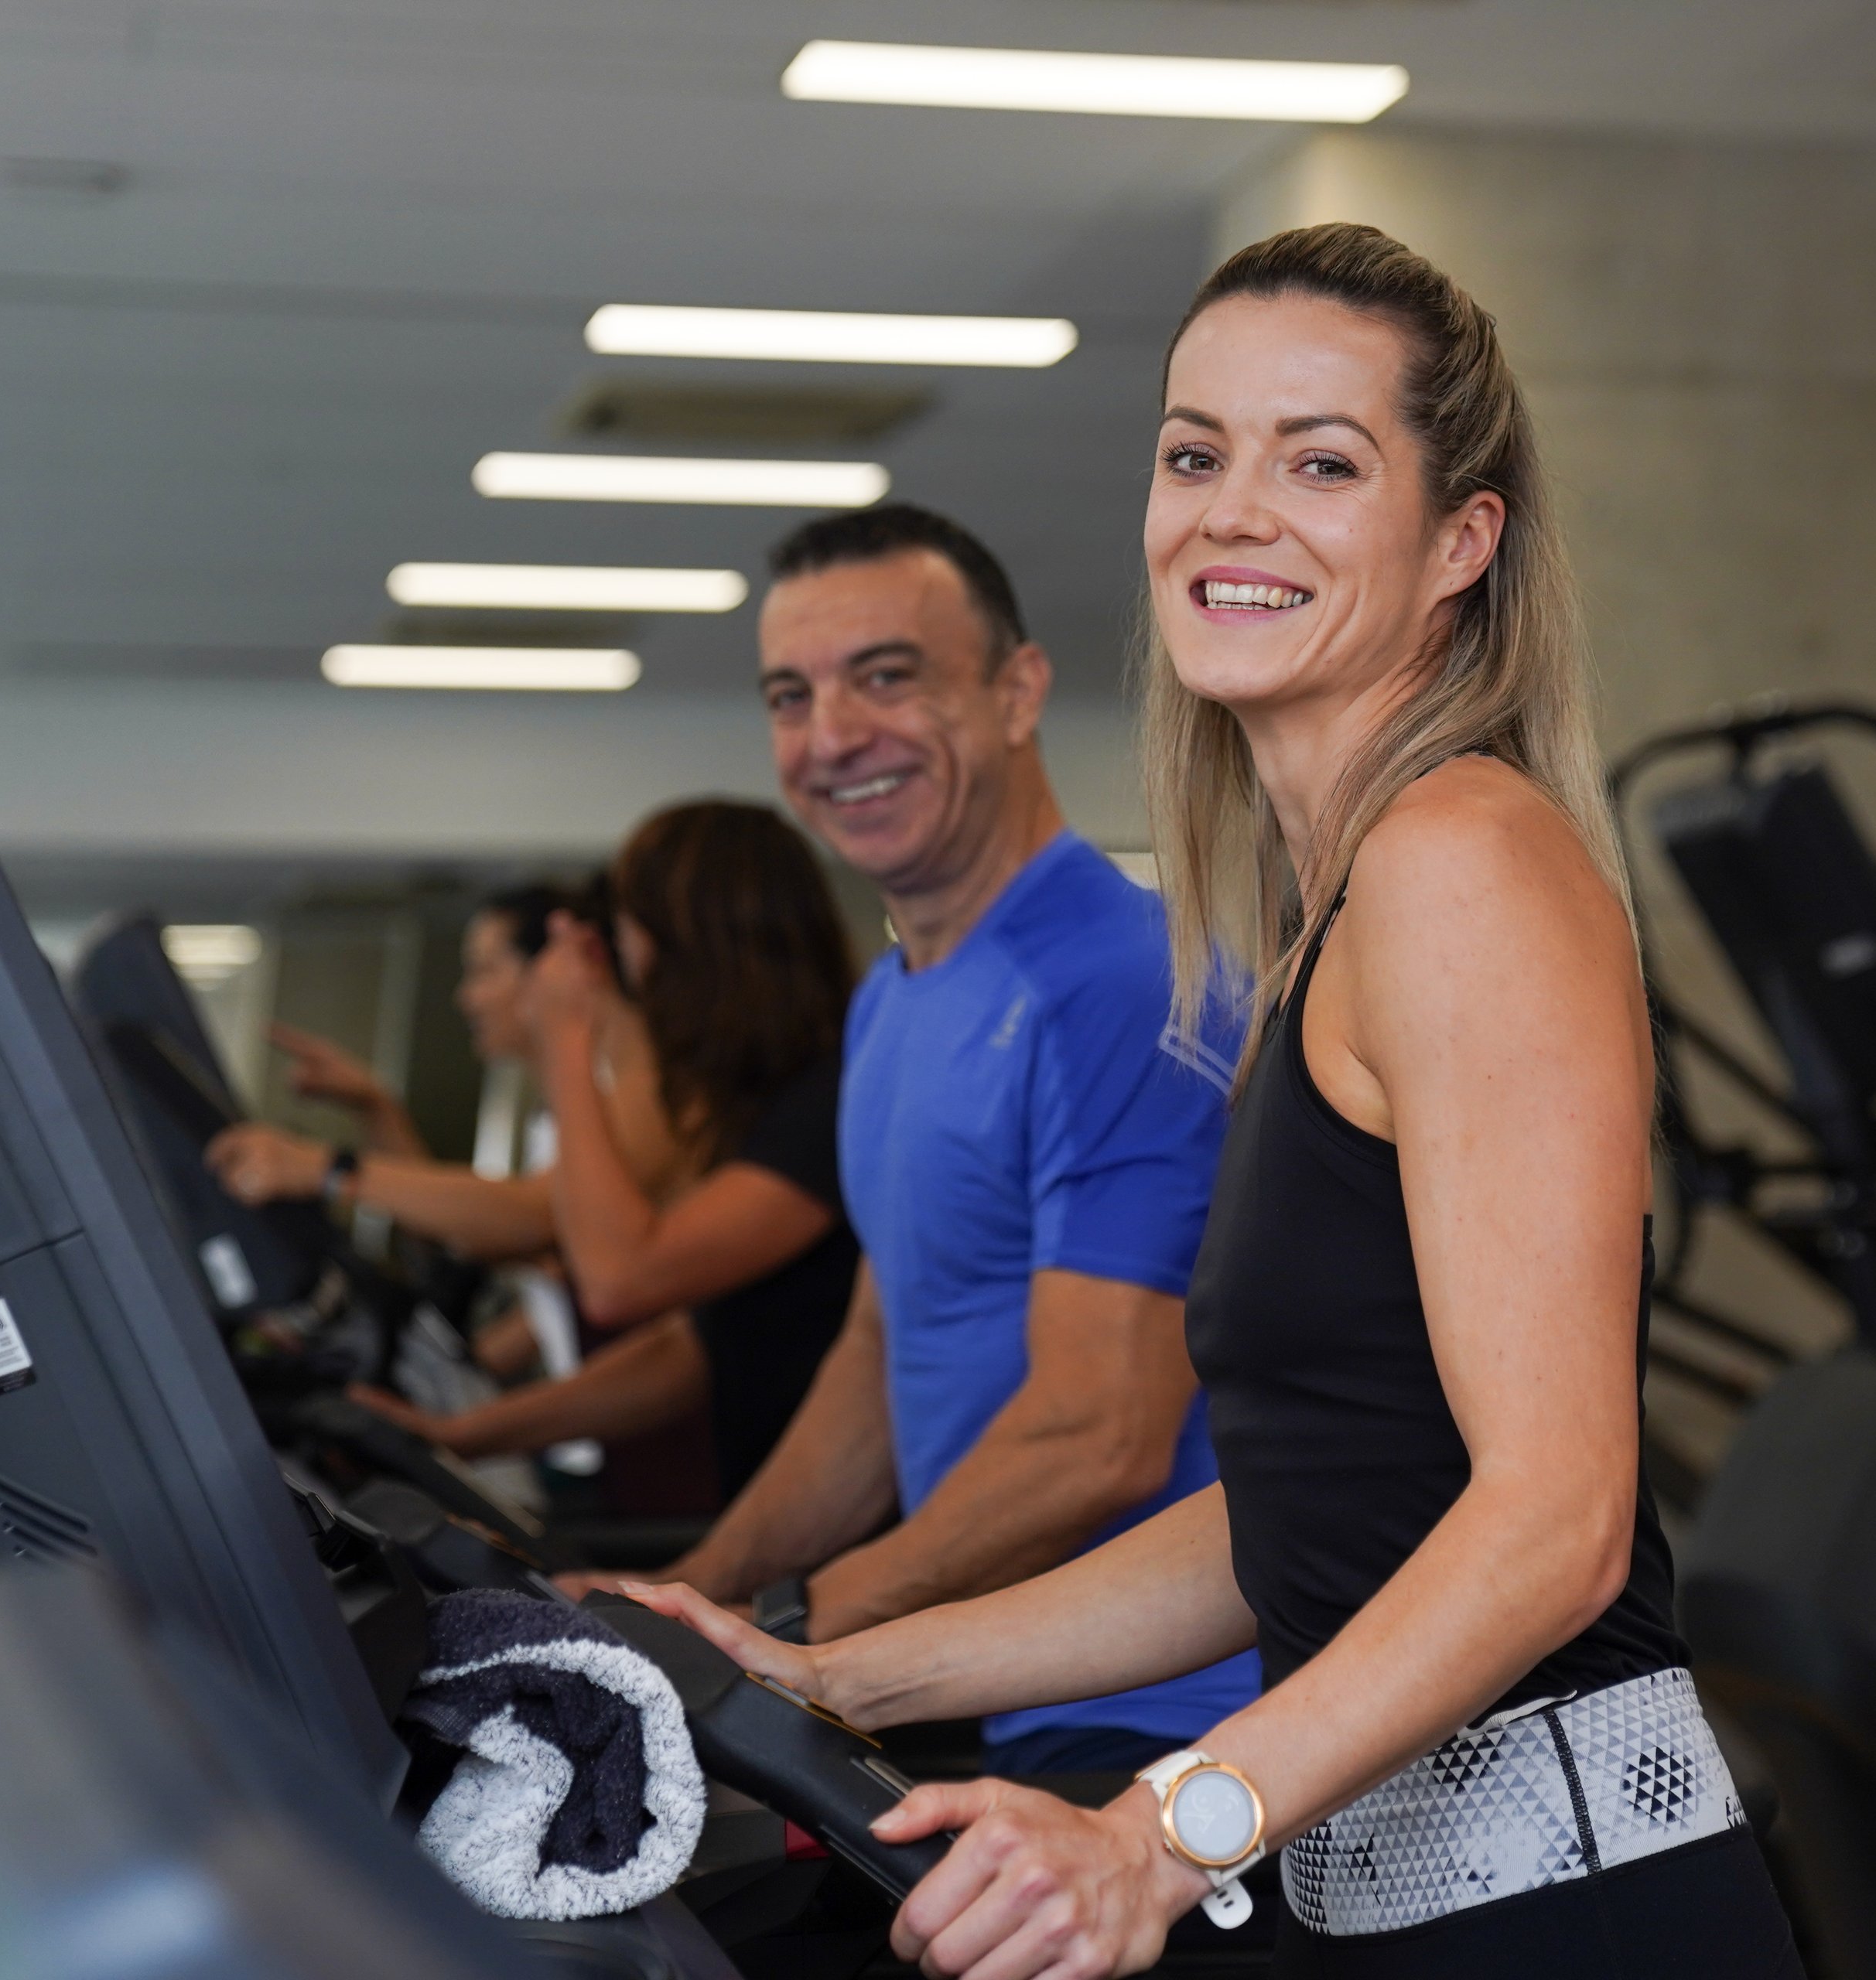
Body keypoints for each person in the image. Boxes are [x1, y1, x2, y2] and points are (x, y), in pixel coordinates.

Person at [593, 227, 1806, 1978]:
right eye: (1194, 451)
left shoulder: (1463, 859)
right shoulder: (1327, 918)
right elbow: (1294, 1513)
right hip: (1386, 1895)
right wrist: (832, 1667)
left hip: (1570, 1911)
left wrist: (1156, 1836)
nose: (1232, 509)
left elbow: (1555, 1518)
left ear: (1459, 539)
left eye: (1320, 460)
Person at [570, 503, 1259, 1781]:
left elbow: (1098, 1437)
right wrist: (686, 1593)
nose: (833, 738)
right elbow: (884, 1353)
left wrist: (798, 1626)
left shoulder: (1117, 981)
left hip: (1173, 1726)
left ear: (1017, 691)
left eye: (888, 677)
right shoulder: (893, 1005)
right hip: (998, 1693)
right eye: (792, 696)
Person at [352, 801, 862, 1504]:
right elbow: (690, 1350)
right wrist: (468, 1432)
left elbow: (619, 1279)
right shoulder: (759, 1101)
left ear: (686, 941)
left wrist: (566, 1036)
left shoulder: (827, 1098)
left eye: (626, 927)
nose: (621, 960)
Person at [206, 882, 686, 1268]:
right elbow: (476, 1233)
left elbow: (532, 1216)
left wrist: (325, 1170)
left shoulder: (645, 1086)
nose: (466, 998)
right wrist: (376, 1107)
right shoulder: (560, 1109)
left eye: (484, 971)